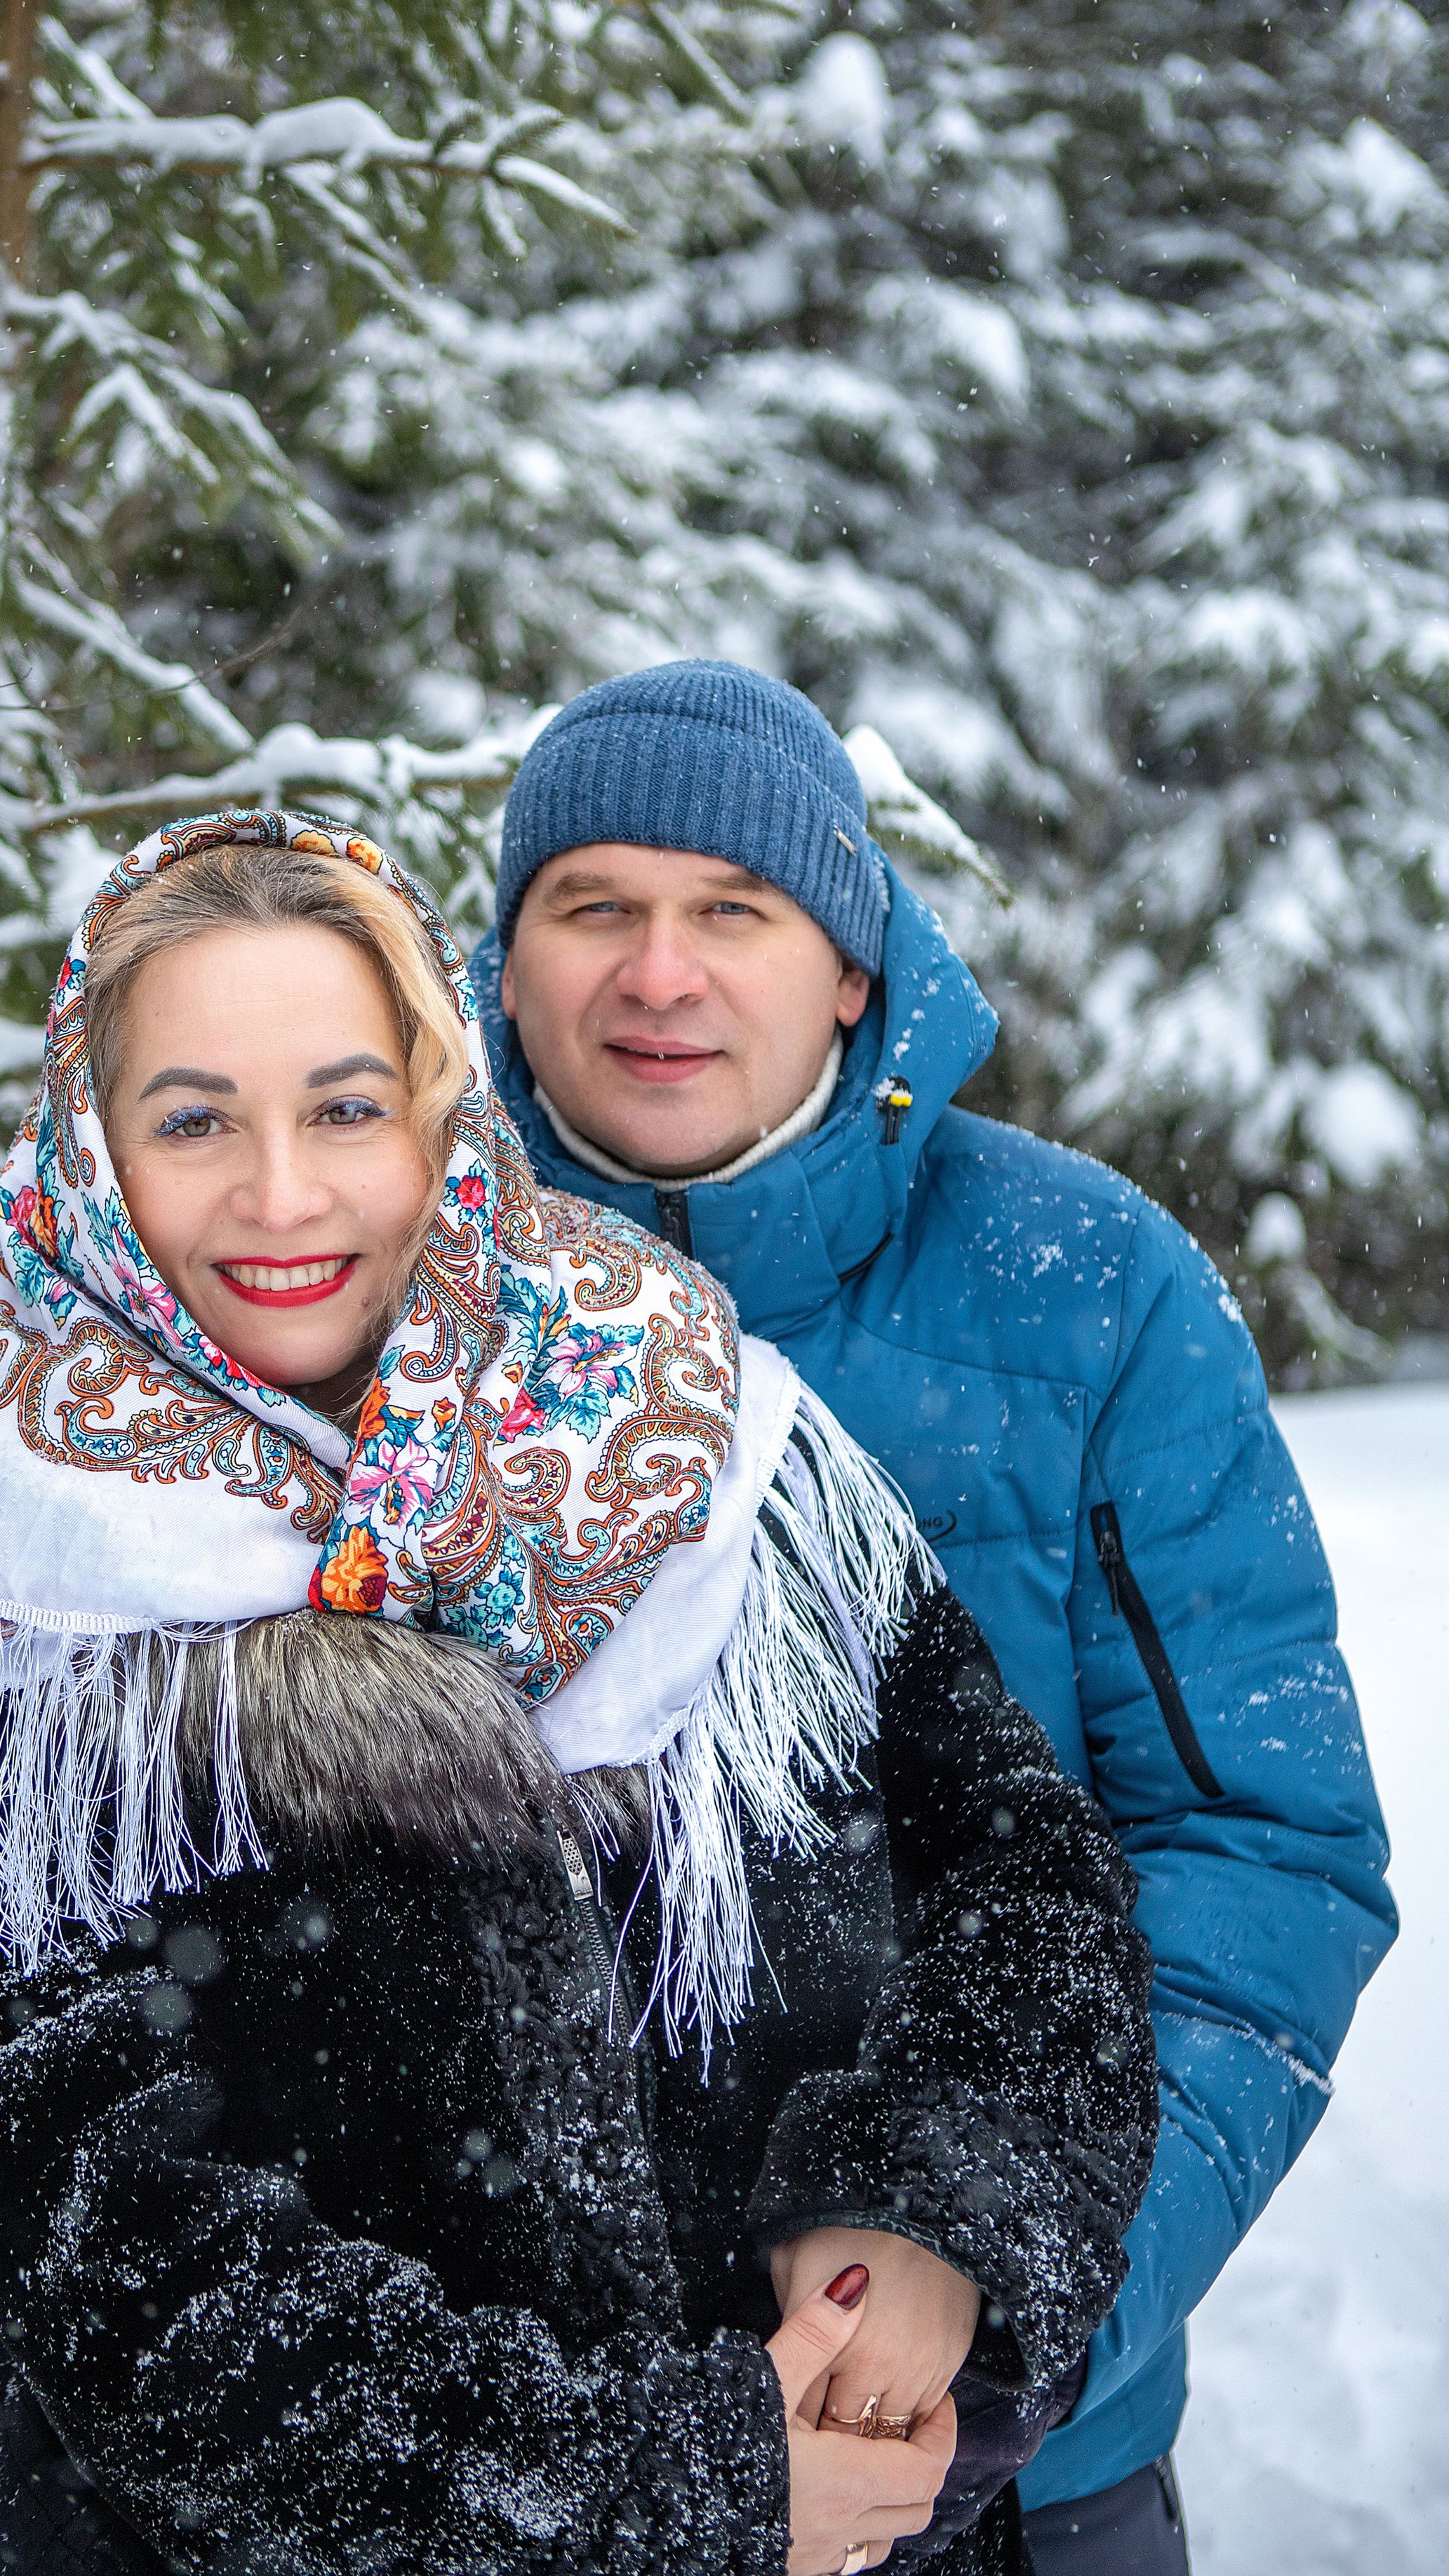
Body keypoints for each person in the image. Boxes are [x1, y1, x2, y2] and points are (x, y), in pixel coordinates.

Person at [0, 811, 1157, 2576]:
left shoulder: (698, 1430)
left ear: (438, 1109)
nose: (283, 1193)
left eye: (342, 1103)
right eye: (190, 1119)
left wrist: (930, 2224)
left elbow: (1018, 1870)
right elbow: (128, 2283)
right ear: (89, 1155)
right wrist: (685, 2494)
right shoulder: (3, 1594)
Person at [465, 658, 1400, 2574]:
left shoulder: (1089, 1289)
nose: (661, 973)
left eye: (735, 909)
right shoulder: (354, 1286)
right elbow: (149, 1867)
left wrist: (1003, 2292)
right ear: (504, 963)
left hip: (1019, 2490)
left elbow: (1267, 1856)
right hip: (512, 2483)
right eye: (595, 908)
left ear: (856, 971)